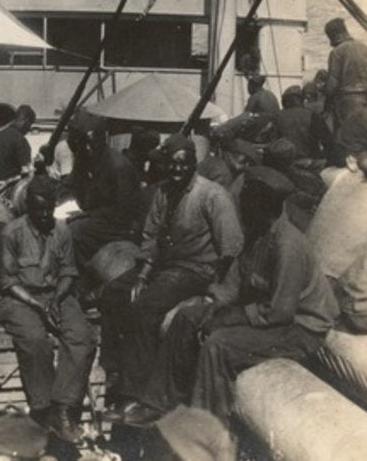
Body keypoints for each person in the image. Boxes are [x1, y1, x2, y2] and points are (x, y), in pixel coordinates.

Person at [122, 167, 338, 424]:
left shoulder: (288, 245)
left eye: (247, 204)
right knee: (187, 318)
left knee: (219, 344)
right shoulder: (256, 233)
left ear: (267, 207)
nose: (241, 210)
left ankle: (207, 426)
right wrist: (215, 307)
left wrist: (228, 319)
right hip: (270, 314)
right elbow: (234, 284)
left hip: (300, 328)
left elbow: (280, 311)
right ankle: (159, 402)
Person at [102, 134, 243, 419]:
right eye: (172, 165)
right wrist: (142, 275)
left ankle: (137, 394)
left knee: (145, 308)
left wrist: (215, 289)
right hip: (165, 266)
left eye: (184, 164)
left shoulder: (212, 196)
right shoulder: (163, 193)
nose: (177, 170)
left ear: (194, 163)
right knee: (114, 293)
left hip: (196, 270)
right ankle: (115, 372)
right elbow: (151, 237)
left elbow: (231, 247)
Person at [0, 177, 95, 443]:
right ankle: (42, 410)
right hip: (21, 298)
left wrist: (56, 299)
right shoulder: (11, 232)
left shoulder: (62, 230)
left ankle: (62, 408)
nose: (43, 215)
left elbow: (68, 272)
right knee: (34, 340)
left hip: (56, 295)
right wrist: (37, 305)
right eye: (38, 209)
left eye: (48, 209)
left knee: (82, 338)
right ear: (28, 206)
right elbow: (8, 281)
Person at [66, 113, 144, 267]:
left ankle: (83, 273)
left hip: (119, 225)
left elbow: (124, 211)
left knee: (74, 231)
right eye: (83, 144)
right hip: (93, 216)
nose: (88, 148)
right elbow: (71, 185)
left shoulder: (118, 166)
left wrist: (84, 215)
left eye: (92, 143)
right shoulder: (84, 159)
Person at [324, 17, 367, 126]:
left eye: (331, 38)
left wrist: (327, 102)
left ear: (337, 35)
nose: (331, 43)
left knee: (347, 137)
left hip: (347, 103)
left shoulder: (337, 52)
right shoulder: (366, 49)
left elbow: (333, 82)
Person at [274, 84, 334, 160]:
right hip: (311, 162)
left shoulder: (277, 117)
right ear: (301, 100)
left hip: (285, 162)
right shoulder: (312, 115)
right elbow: (328, 141)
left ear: (285, 102)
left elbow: (273, 144)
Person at [0, 104, 35, 182]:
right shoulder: (20, 140)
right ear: (25, 120)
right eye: (30, 124)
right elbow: (26, 172)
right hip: (12, 187)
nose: (29, 129)